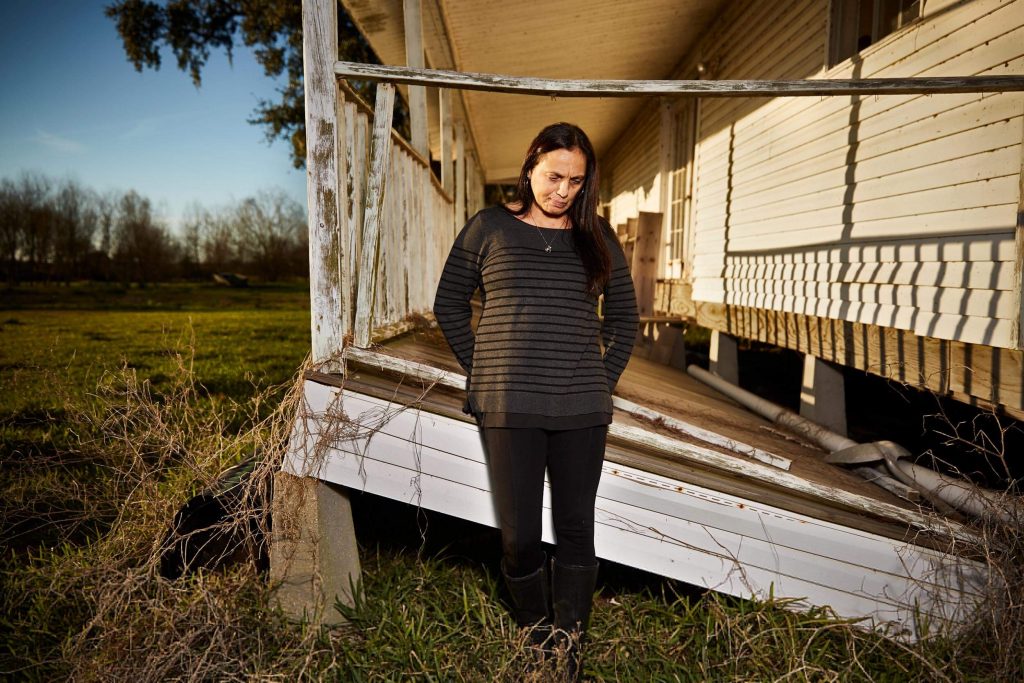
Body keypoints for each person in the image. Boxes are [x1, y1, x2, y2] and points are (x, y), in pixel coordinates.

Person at [433, 122, 639, 679]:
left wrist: (602, 379)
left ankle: (567, 642)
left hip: (580, 408)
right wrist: (485, 371)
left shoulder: (597, 236)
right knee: (519, 536)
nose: (563, 190)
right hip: (508, 405)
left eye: (575, 180)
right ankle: (534, 630)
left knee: (576, 528)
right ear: (530, 169)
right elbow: (449, 304)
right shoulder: (489, 227)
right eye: (554, 176)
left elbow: (624, 321)